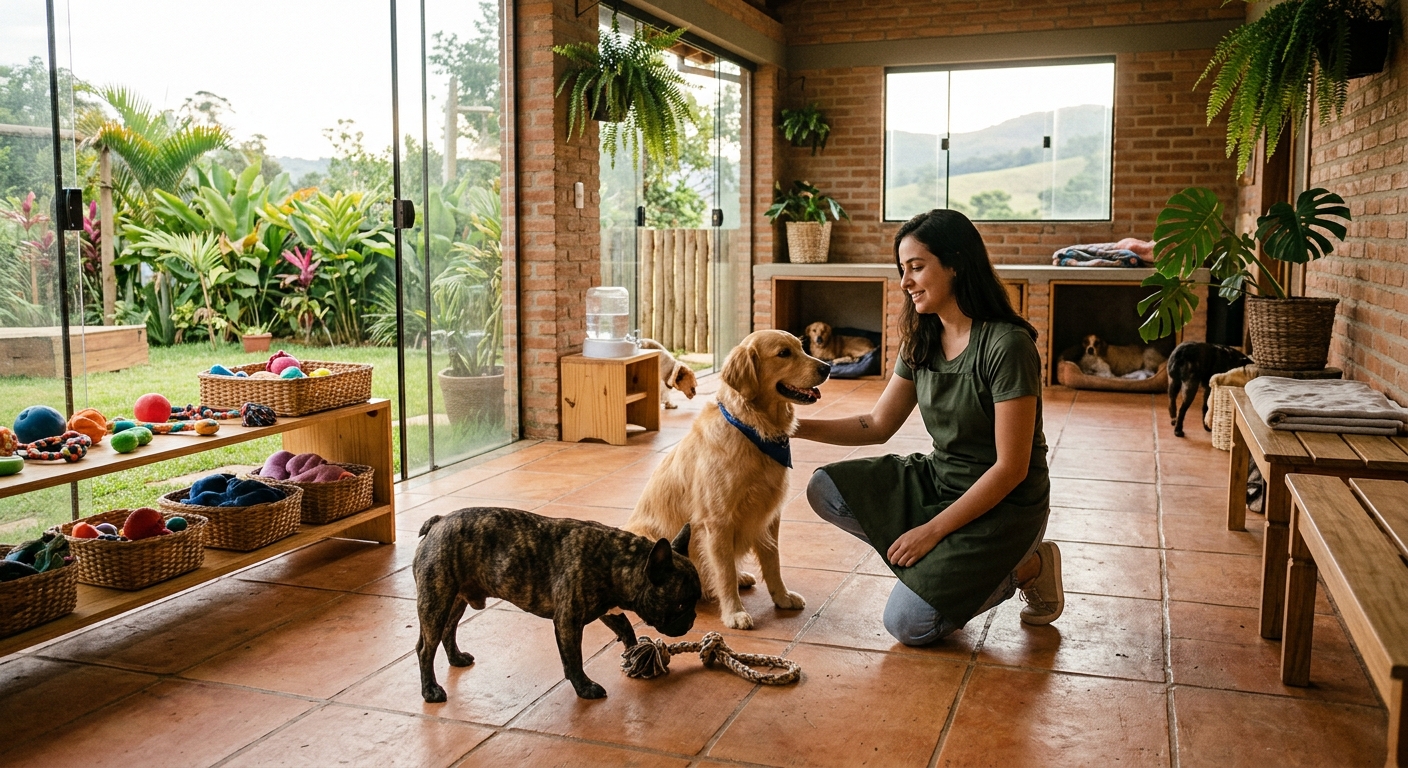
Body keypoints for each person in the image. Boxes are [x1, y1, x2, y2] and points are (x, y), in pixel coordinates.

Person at [795, 209, 1063, 646]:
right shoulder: (921, 338)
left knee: (909, 624)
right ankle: (941, 569)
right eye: (902, 270)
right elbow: (877, 424)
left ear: (956, 263)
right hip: (942, 481)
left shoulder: (1006, 346)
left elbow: (1011, 469)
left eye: (917, 267)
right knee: (825, 488)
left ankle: (1027, 566)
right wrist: (792, 426)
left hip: (1006, 506)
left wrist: (931, 531)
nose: (905, 282)